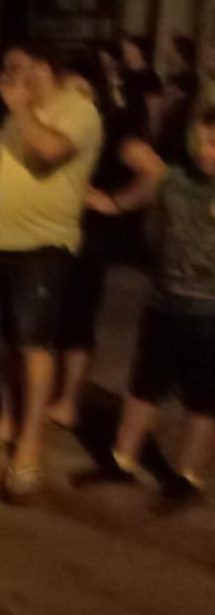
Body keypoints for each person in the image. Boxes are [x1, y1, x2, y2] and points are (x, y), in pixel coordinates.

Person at [0, 42, 104, 505]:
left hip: (43, 247)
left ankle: (29, 446)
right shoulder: (18, 112)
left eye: (19, 68)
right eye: (6, 69)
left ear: (44, 69)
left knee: (34, 345)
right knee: (3, 341)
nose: (9, 76)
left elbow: (50, 151)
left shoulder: (77, 110)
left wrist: (22, 110)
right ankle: (6, 420)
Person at [75, 107, 215, 510]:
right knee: (144, 386)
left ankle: (189, 476)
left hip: (209, 313)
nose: (207, 151)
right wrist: (105, 199)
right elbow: (132, 198)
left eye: (214, 143)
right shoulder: (173, 178)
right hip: (165, 301)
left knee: (202, 398)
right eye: (202, 141)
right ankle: (123, 460)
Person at [47, 52, 163, 429]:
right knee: (51, 319)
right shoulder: (57, 125)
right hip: (52, 230)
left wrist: (114, 202)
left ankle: (67, 400)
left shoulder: (111, 127)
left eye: (80, 90)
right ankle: (50, 395)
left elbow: (154, 171)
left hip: (87, 237)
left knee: (76, 320)